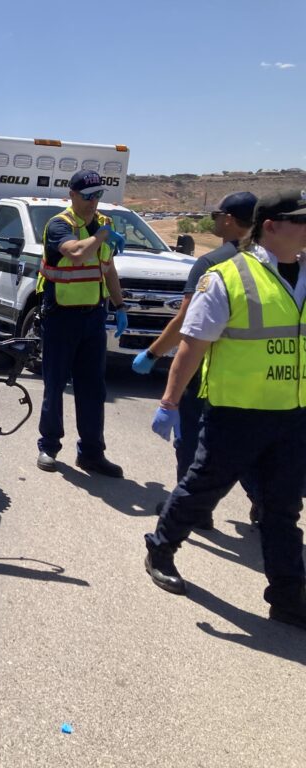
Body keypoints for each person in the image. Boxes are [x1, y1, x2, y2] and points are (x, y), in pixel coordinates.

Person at [144, 189, 306, 630]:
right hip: (235, 412)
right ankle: (160, 547)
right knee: (201, 490)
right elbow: (191, 347)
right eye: (301, 220)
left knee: (282, 509)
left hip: (293, 416)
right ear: (271, 226)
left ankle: (289, 598)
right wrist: (170, 402)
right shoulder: (226, 277)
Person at [131, 192, 258, 527]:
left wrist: (153, 352)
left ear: (229, 219)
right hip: (256, 374)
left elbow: (187, 322)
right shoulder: (270, 262)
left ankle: (192, 509)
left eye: (216, 215)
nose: (214, 221)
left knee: (191, 439)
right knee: (251, 442)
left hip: (207, 370)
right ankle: (263, 502)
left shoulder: (212, 262)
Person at [35, 169, 128, 477]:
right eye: (88, 197)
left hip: (93, 316)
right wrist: (100, 235)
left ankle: (91, 453)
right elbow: (75, 254)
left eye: (98, 196)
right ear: (72, 195)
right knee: (55, 383)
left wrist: (120, 305)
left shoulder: (105, 224)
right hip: (61, 314)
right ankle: (48, 447)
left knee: (93, 388)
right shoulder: (60, 225)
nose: (93, 203)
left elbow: (108, 268)